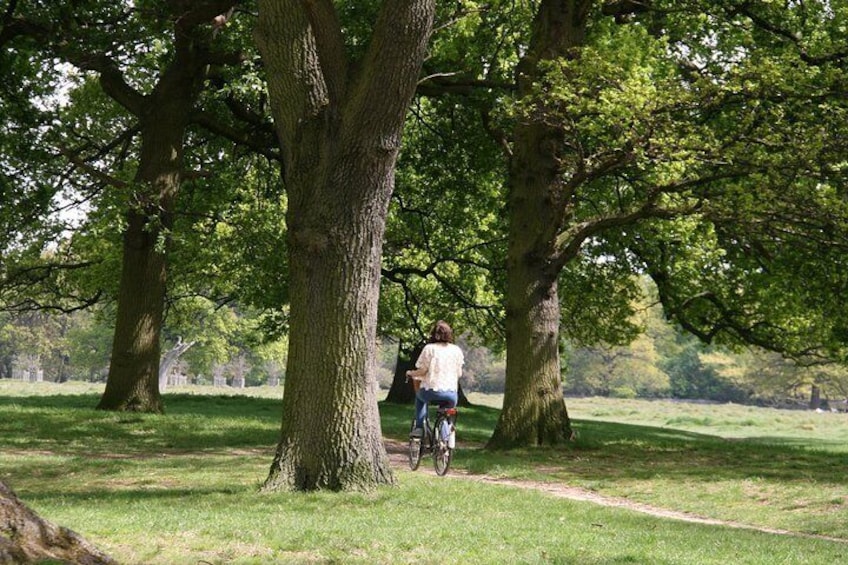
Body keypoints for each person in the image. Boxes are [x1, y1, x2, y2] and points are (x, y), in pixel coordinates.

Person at [405, 320, 464, 438]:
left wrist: (410, 373)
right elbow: (459, 373)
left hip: (431, 391)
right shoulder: (456, 350)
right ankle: (445, 441)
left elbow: (422, 371)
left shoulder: (429, 348)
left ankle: (419, 428)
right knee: (445, 413)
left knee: (420, 399)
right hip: (451, 394)